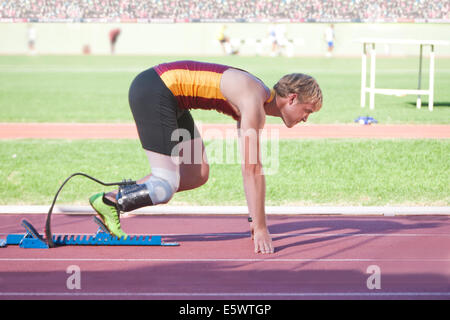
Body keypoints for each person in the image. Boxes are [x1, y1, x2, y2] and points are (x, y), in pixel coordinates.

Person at [89, 60, 322, 254]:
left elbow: (250, 165)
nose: (306, 119)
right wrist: (260, 227)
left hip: (172, 98)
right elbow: (252, 168)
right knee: (164, 186)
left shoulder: (257, 97)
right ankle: (110, 203)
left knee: (195, 174)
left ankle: (112, 199)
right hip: (156, 90)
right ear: (292, 99)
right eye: (308, 111)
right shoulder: (254, 100)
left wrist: (255, 220)